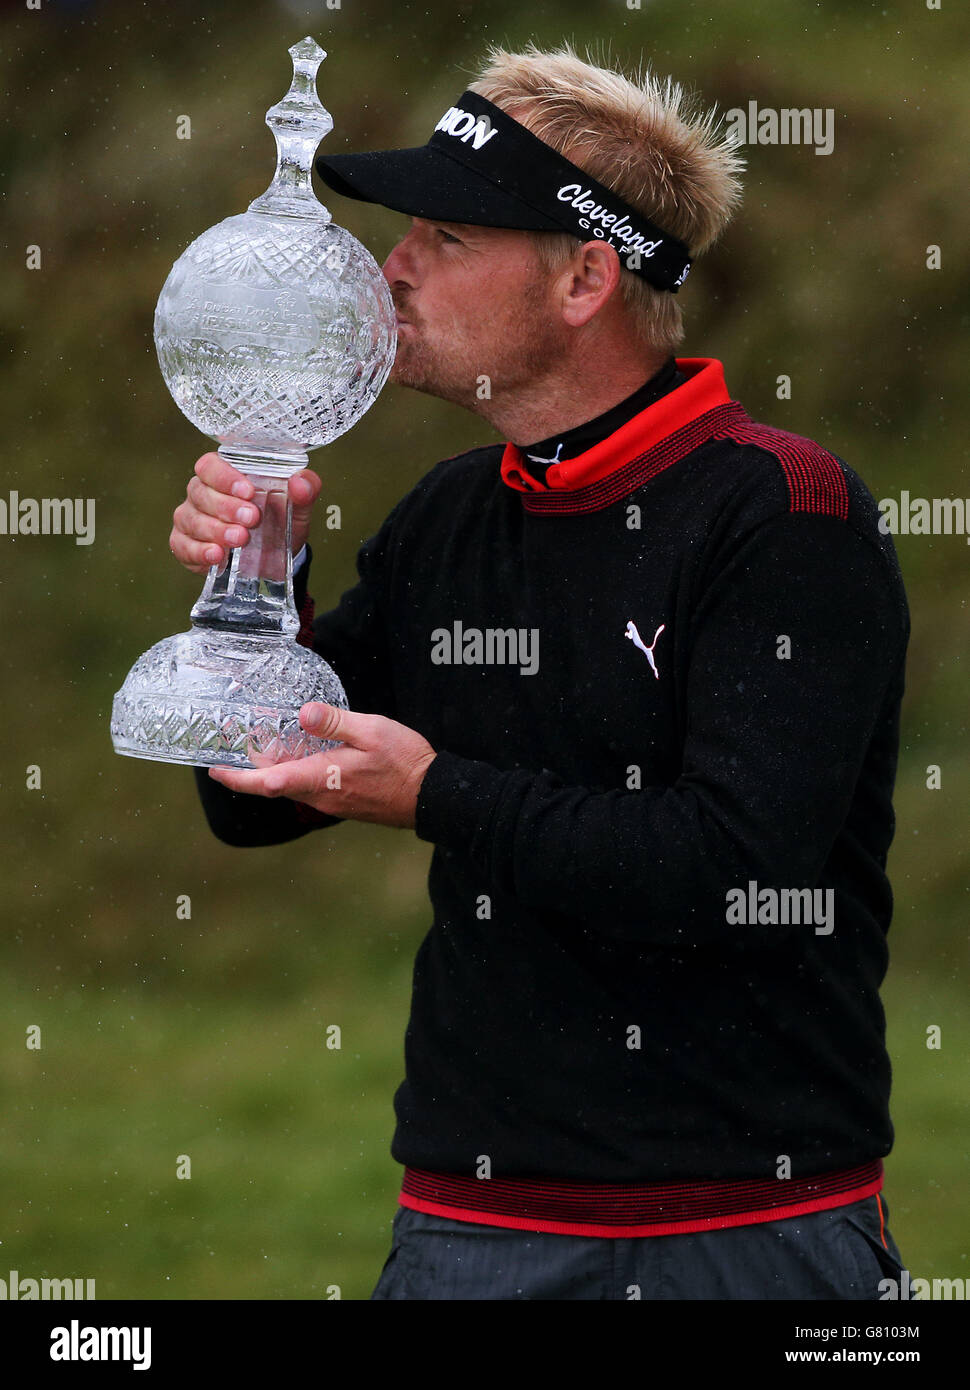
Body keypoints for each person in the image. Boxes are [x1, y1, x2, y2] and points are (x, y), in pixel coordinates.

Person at [169, 43, 911, 1300]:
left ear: (584, 278)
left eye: (447, 236)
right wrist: (258, 587)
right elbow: (249, 800)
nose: (389, 267)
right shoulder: (449, 515)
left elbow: (728, 871)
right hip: (467, 1218)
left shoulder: (786, 512)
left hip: (744, 1233)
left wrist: (437, 793)